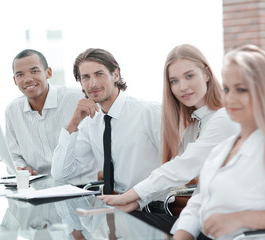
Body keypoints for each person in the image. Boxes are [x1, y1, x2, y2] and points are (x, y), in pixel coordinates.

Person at [172, 45, 265, 240]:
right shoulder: (223, 149)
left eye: (241, 89)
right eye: (226, 89)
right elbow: (200, 200)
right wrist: (182, 234)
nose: (230, 98)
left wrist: (240, 219)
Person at [99, 44, 240, 231]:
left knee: (127, 224)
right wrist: (139, 201)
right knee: (124, 221)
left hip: (231, 224)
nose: (182, 87)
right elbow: (174, 174)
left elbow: (180, 168)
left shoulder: (223, 118)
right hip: (203, 218)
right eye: (174, 81)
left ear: (206, 74)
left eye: (189, 76)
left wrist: (130, 196)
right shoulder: (194, 124)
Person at [51, 48, 162, 194]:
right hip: (114, 205)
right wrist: (74, 122)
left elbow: (176, 164)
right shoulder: (91, 121)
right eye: (85, 77)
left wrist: (136, 197)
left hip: (150, 206)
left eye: (99, 74)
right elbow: (61, 174)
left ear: (115, 74)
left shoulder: (148, 111)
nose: (93, 84)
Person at [6, 49, 99, 185]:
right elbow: (13, 155)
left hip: (84, 186)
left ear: (48, 72)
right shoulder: (12, 111)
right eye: (20, 74)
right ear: (15, 80)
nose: (28, 79)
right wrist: (20, 167)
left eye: (34, 71)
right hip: (41, 189)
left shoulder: (78, 97)